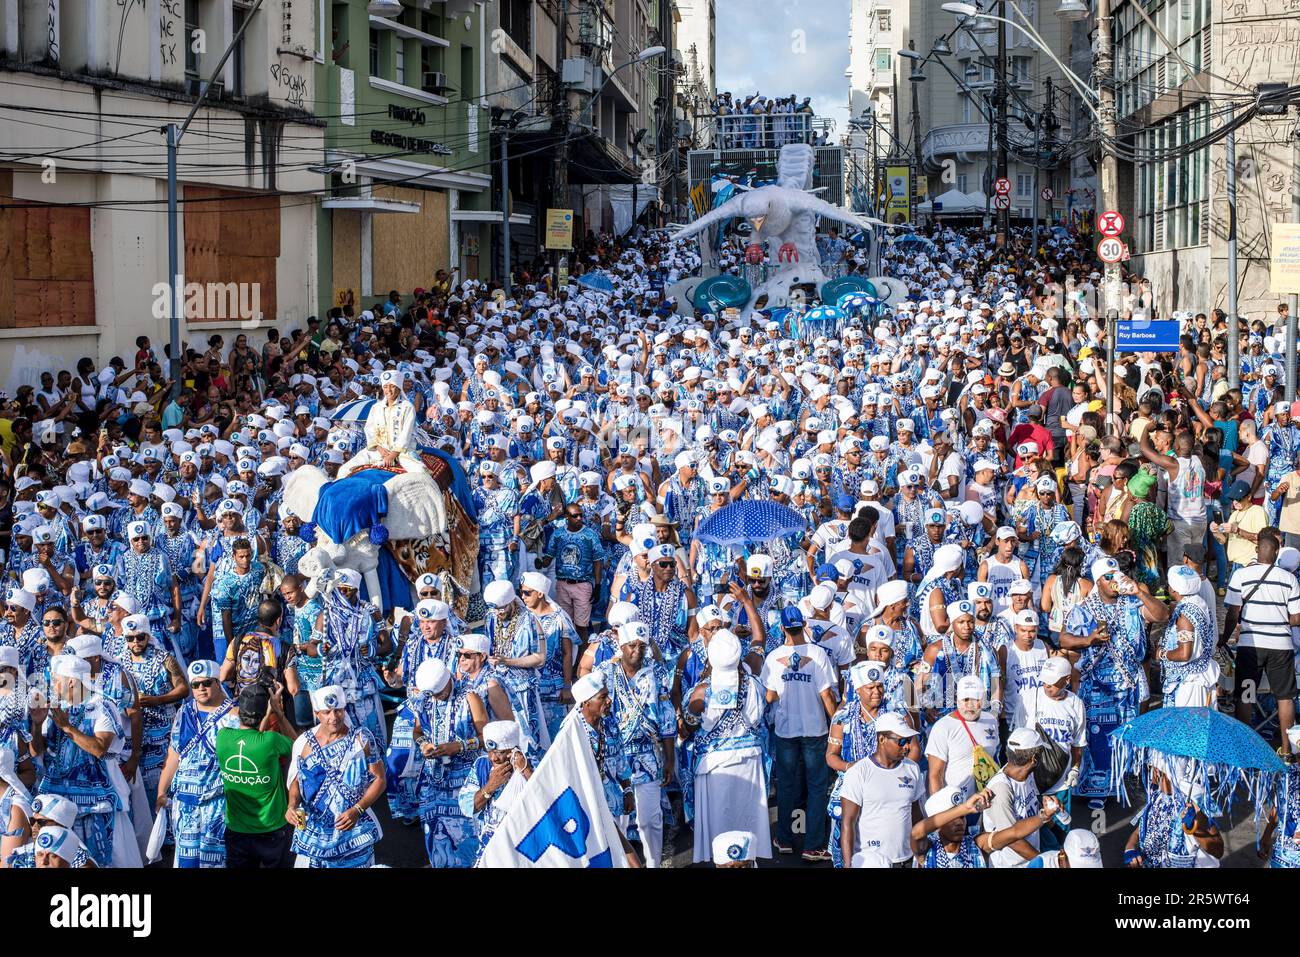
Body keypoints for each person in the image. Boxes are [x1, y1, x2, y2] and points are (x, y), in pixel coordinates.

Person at [684, 630, 771, 864]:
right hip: (749, 761)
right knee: (747, 818)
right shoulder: (754, 684)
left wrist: (691, 713)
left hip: (716, 768)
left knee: (720, 823)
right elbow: (766, 713)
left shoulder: (702, 690)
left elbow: (689, 727)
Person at [594, 621, 675, 867]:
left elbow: (667, 715)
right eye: (631, 645)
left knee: (649, 819)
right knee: (617, 820)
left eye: (642, 645)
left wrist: (670, 759)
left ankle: (653, 863)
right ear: (621, 645)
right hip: (614, 758)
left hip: (647, 756)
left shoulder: (656, 671)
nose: (636, 651)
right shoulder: (605, 673)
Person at [761, 605, 837, 861]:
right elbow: (826, 694)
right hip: (815, 728)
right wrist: (838, 723)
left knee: (787, 785)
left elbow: (769, 695)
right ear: (803, 624)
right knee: (816, 787)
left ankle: (784, 838)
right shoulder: (817, 654)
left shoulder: (774, 657)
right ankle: (812, 844)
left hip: (785, 729)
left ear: (782, 627)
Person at [286, 684, 386, 868]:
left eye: (338, 710)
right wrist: (292, 805)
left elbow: (379, 779)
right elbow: (296, 780)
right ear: (317, 713)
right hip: (315, 836)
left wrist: (358, 809)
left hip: (353, 832)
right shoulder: (302, 744)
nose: (334, 717)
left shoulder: (362, 739)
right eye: (327, 712)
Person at [1223, 527, 1300, 758]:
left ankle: (1246, 749)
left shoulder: (1240, 576)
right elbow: (1296, 618)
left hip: (1250, 644)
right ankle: (1287, 751)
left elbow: (1233, 612)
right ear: (1276, 553)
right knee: (1284, 697)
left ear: (1257, 551)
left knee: (1246, 694)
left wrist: (1224, 638)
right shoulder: (1289, 579)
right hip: (1281, 647)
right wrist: (1276, 618)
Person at [156, 660, 241, 868]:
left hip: (217, 802)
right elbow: (173, 754)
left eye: (207, 683)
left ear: (218, 682)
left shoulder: (235, 715)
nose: (201, 688)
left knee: (216, 860)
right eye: (195, 685)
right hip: (185, 801)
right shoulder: (184, 713)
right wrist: (161, 791)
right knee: (187, 860)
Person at [216, 681, 298, 868]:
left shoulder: (223, 737)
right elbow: (300, 746)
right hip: (272, 830)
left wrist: (266, 713)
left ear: (239, 711)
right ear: (264, 714)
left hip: (237, 831)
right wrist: (277, 712)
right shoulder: (271, 741)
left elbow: (251, 739)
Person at [837, 713, 925, 867]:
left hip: (906, 860)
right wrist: (848, 864)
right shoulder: (858, 772)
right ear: (882, 739)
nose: (907, 746)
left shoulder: (913, 769)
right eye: (901, 741)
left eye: (909, 740)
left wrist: (920, 855)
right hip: (870, 862)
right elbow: (847, 823)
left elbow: (916, 814)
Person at [458, 720, 532, 866]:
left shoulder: (530, 763)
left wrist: (526, 771)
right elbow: (466, 806)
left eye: (500, 752)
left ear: (514, 750)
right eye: (490, 752)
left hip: (524, 845)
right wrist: (490, 787)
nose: (493, 758)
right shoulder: (481, 765)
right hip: (490, 847)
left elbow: (545, 798)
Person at [981, 727, 1055, 867]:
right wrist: (1045, 862)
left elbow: (1031, 804)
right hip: (1011, 864)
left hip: (1029, 860)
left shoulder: (1027, 775)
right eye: (1042, 752)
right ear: (1034, 759)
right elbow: (1011, 839)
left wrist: (1048, 814)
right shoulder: (1001, 790)